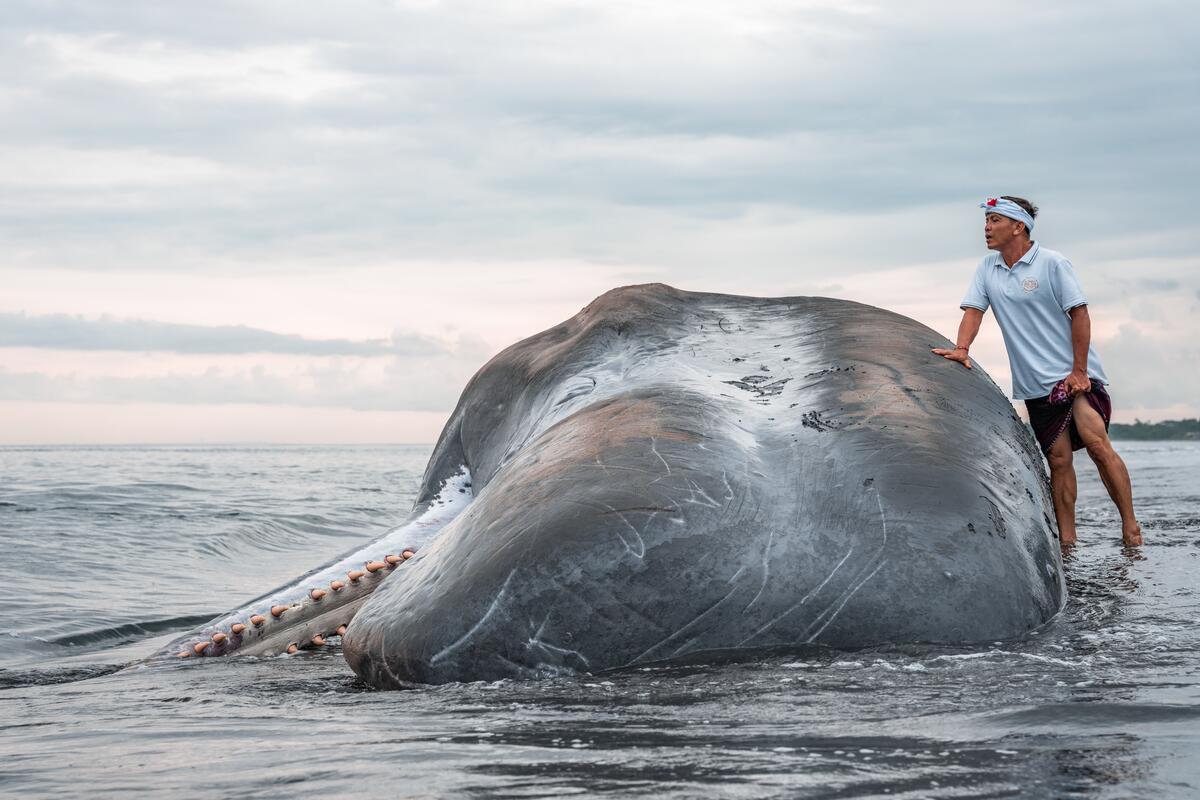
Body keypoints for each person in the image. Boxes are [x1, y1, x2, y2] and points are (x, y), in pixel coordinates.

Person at [931, 196, 1142, 547]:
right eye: (986, 220)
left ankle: (1131, 528)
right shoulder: (987, 268)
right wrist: (962, 349)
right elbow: (973, 311)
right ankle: (1068, 542)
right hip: (1033, 383)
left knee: (1097, 445)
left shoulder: (1052, 263)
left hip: (1072, 377)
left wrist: (1079, 370)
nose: (986, 227)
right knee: (1058, 462)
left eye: (995, 220)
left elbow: (1080, 313)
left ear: (1018, 226)